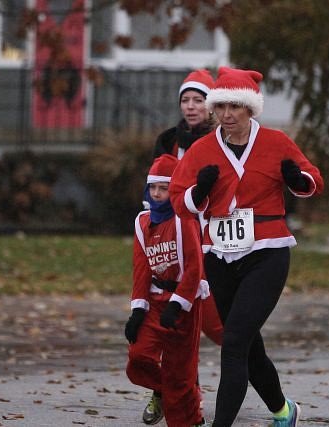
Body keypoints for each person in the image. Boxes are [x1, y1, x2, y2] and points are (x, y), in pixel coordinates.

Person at [169, 67, 324, 427]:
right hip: (220, 255)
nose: (226, 115)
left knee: (234, 342)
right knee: (248, 344)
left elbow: (313, 179)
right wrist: (199, 192)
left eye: (235, 107)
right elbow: (179, 201)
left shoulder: (276, 142)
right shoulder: (201, 149)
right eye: (220, 107)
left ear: (250, 109)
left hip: (267, 252)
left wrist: (296, 179)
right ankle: (285, 411)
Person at [135, 69, 224, 425]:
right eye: (185, 100)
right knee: (171, 328)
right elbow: (157, 188)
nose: (190, 107)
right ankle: (169, 394)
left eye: (198, 100)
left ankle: (252, 369)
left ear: (211, 105)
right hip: (174, 235)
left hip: (211, 236)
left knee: (215, 326)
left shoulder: (220, 139)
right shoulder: (168, 139)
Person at [125, 154, 209, 427]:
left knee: (180, 374)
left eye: (164, 188)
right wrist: (138, 309)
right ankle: (167, 391)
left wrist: (178, 304)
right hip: (154, 300)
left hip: (183, 304)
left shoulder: (184, 219)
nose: (158, 194)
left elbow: (195, 268)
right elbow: (141, 267)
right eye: (153, 188)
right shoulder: (142, 222)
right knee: (138, 359)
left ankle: (191, 418)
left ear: (174, 190)